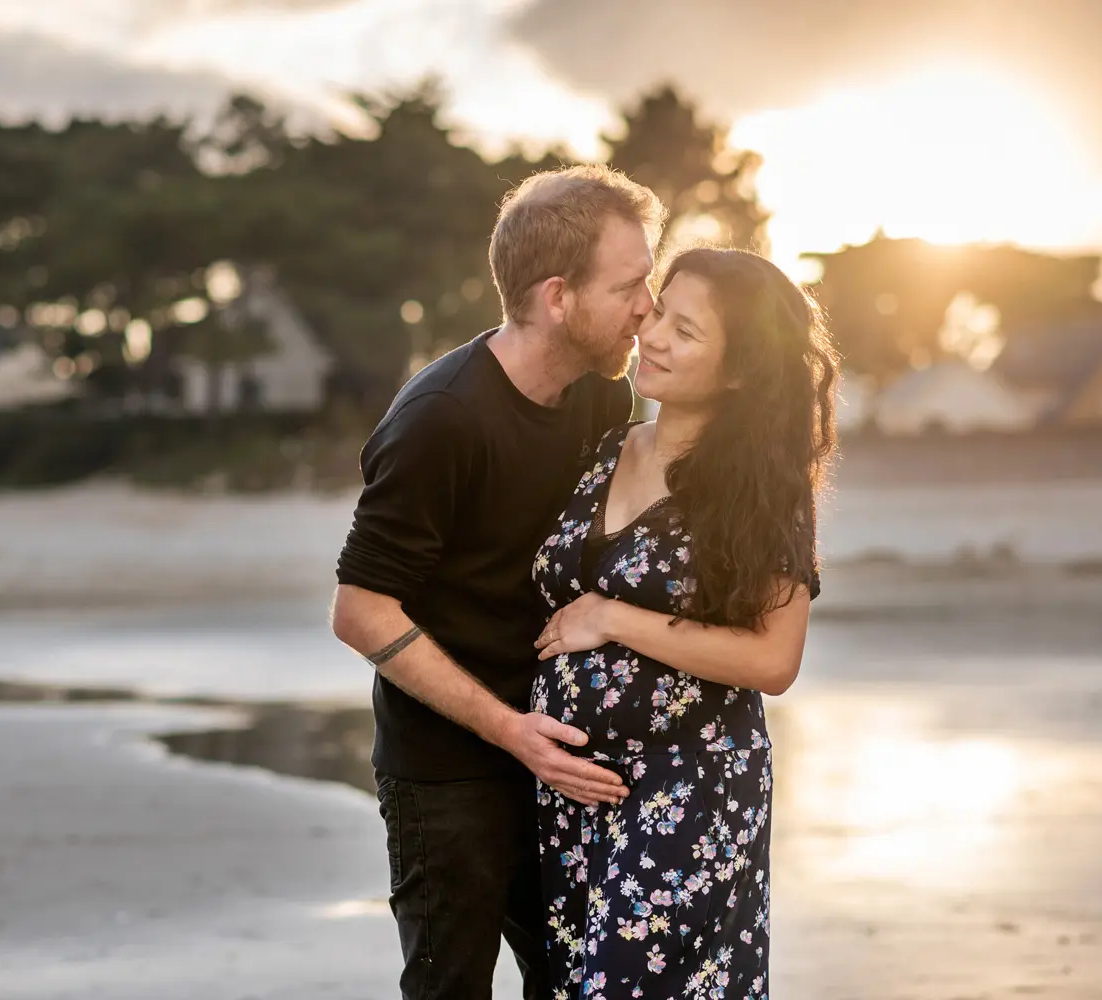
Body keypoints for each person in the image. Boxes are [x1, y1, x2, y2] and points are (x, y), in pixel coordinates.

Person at [330, 165, 666, 999]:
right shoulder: (440, 419)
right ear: (559, 297)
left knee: (579, 983)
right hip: (448, 769)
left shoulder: (601, 394)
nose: (647, 306)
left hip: (562, 751)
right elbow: (360, 610)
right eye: (629, 284)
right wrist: (510, 729)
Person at [530, 247, 839, 999]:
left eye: (687, 331)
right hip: (573, 795)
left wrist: (612, 617)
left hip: (690, 789)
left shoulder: (762, 489)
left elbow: (774, 661)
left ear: (739, 371)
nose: (654, 335)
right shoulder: (602, 449)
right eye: (659, 311)